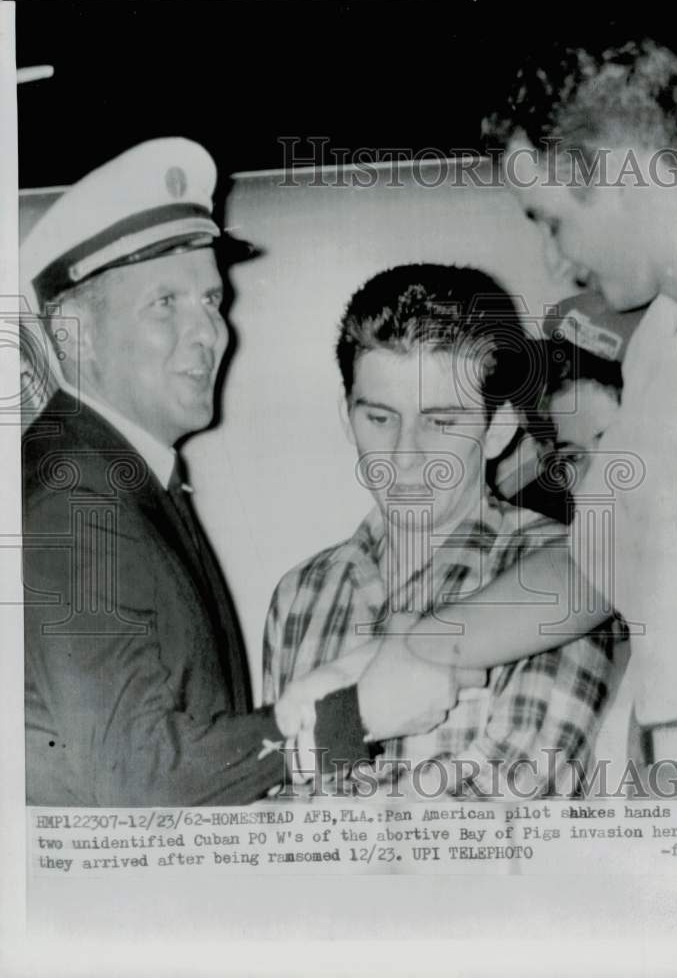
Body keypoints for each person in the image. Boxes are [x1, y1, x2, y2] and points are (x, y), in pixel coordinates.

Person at [21, 139, 475, 807]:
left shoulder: (121, 476)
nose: (208, 332)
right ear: (71, 335)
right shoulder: (73, 493)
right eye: (165, 304)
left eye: (211, 301)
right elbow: (132, 777)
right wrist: (355, 716)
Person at [402, 39, 677, 772]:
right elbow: (594, 567)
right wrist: (421, 645)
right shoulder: (660, 341)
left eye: (552, 220)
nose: (553, 264)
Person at [263, 264, 627, 796]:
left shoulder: (565, 572)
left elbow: (505, 820)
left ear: (498, 426)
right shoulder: (299, 595)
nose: (405, 457)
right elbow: (271, 790)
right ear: (347, 417)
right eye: (380, 419)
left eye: (440, 422)